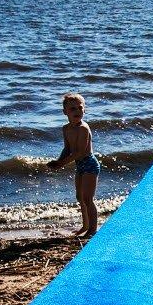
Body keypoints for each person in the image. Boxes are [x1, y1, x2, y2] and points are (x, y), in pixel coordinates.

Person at [47, 92, 101, 239]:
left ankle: (93, 229)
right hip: (80, 166)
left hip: (90, 164)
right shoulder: (66, 129)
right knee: (80, 197)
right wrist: (58, 161)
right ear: (65, 112)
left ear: (84, 110)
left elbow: (79, 152)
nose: (77, 111)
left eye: (80, 108)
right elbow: (67, 149)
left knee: (88, 198)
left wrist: (62, 164)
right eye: (72, 109)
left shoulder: (83, 128)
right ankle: (85, 225)